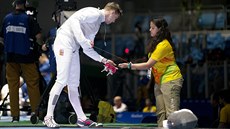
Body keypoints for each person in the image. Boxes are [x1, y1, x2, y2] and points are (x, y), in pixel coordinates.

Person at [43, 2, 122, 128]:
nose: (113, 21)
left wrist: (104, 60)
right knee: (62, 80)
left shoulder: (96, 26)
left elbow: (87, 50)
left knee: (74, 84)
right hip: (64, 43)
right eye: (115, 18)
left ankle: (81, 118)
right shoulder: (94, 13)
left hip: (74, 48)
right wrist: (83, 40)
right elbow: (74, 21)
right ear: (112, 12)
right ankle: (48, 117)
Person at [118, 18, 183, 127]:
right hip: (159, 82)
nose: (149, 30)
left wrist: (129, 65)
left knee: (172, 113)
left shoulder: (164, 45)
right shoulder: (156, 44)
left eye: (152, 28)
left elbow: (148, 64)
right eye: (150, 27)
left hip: (170, 79)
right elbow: (150, 64)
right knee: (161, 113)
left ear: (160, 30)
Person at [0, 0, 43, 122]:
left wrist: (10, 45)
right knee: (32, 84)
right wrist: (40, 45)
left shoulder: (6, 18)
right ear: (25, 4)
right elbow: (38, 37)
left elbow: (1, 38)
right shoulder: (29, 19)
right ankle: (36, 113)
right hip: (27, 57)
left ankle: (15, 116)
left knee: (12, 86)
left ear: (14, 4)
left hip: (11, 58)